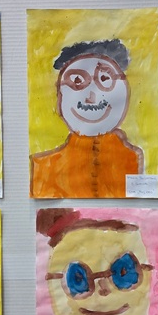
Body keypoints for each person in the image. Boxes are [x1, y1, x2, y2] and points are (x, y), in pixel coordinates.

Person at [30, 40, 143, 198]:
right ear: (59, 95)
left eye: (105, 80)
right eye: (77, 81)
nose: (91, 97)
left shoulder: (135, 160)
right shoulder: (42, 169)